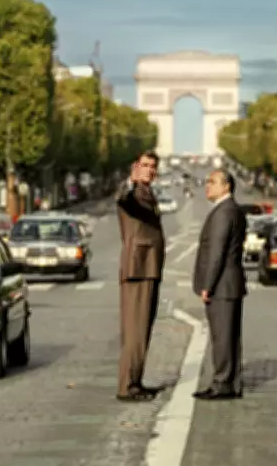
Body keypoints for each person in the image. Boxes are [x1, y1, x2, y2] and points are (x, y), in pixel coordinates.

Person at [192, 168, 247, 400]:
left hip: (222, 284)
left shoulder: (224, 212)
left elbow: (217, 252)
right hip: (230, 283)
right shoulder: (231, 209)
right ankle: (230, 382)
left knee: (222, 337)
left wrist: (208, 285)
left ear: (226, 186)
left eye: (212, 182)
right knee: (229, 336)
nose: (208, 186)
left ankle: (222, 383)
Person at [115, 150, 166, 402]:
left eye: (153, 166)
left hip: (148, 267)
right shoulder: (133, 193)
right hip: (138, 267)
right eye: (145, 165)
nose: (150, 170)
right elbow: (123, 199)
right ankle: (127, 386)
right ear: (135, 167)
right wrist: (129, 181)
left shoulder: (147, 192)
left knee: (142, 328)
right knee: (135, 330)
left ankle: (135, 381)